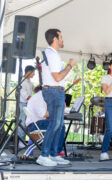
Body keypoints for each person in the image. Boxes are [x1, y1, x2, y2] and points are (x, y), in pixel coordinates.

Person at [37, 28, 76, 167]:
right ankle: (44, 155)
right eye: (61, 37)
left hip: (55, 91)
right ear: (55, 39)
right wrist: (70, 65)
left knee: (59, 125)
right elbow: (57, 77)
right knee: (55, 124)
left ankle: (53, 154)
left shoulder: (52, 54)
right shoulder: (52, 55)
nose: (62, 39)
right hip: (54, 91)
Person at [25, 86, 66, 156]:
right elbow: (43, 114)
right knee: (60, 126)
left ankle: (54, 150)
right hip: (35, 125)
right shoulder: (39, 97)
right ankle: (56, 151)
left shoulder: (41, 96)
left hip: (36, 123)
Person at [18, 65, 35, 142]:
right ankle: (20, 140)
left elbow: (34, 89)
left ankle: (23, 140)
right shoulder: (22, 81)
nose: (34, 74)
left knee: (26, 123)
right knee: (22, 123)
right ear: (28, 72)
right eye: (33, 73)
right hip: (22, 105)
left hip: (27, 105)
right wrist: (36, 100)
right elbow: (26, 96)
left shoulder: (29, 81)